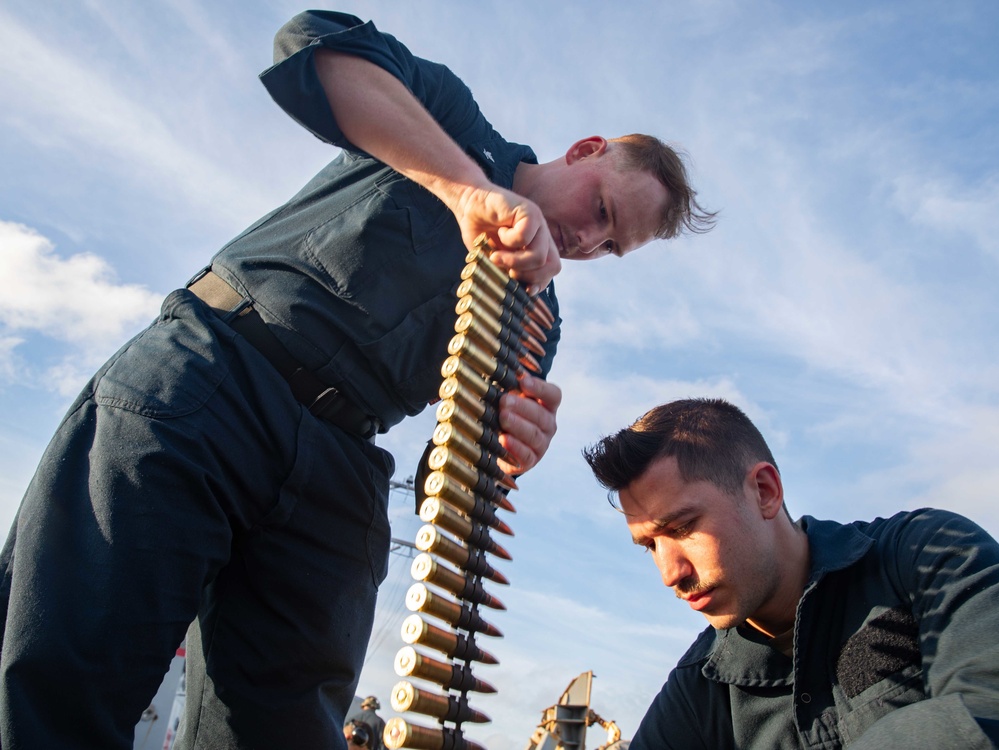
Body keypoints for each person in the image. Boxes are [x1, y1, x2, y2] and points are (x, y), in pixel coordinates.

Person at [0, 9, 714, 750]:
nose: (589, 240)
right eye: (600, 210)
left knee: (289, 726)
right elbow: (314, 44)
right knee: (71, 667)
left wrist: (506, 450)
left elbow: (448, 470)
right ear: (586, 150)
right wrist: (467, 188)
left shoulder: (538, 313)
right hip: (218, 376)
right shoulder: (452, 122)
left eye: (612, 246)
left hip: (338, 473)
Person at [583, 398, 999, 749]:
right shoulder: (699, 691)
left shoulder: (929, 554)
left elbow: (985, 710)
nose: (669, 574)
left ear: (764, 492)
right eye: (650, 546)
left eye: (682, 528)